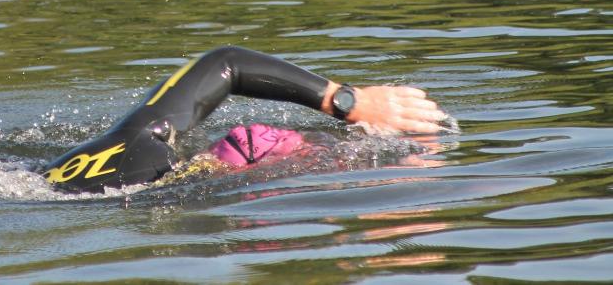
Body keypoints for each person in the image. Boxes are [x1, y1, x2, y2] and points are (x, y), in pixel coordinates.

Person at [44, 45, 448, 192]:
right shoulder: (143, 159)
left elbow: (226, 62)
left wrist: (346, 101)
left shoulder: (139, 147)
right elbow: (226, 62)